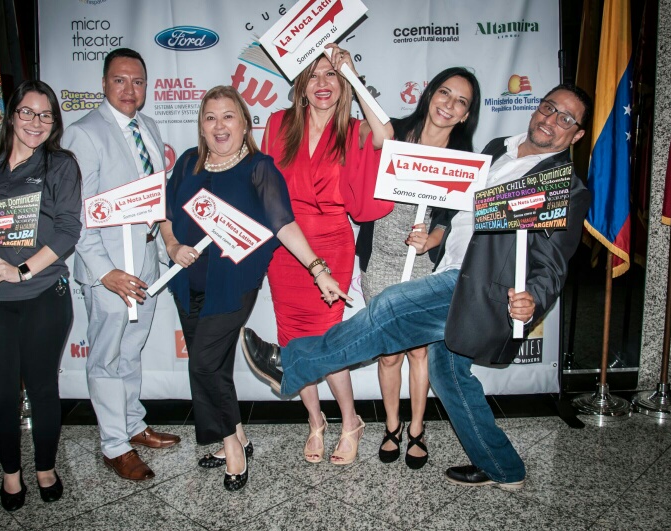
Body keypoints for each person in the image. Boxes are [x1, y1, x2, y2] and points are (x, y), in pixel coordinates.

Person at [242, 83, 593, 489]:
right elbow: (460, 210)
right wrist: (438, 231)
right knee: (450, 376)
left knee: (390, 308)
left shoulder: (567, 186)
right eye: (549, 108)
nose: (552, 120)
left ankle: (293, 364)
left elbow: (552, 262)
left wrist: (535, 298)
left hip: (484, 290)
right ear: (537, 109)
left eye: (566, 118)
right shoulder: (499, 148)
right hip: (454, 269)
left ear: (578, 134)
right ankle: (503, 467)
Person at [161, 86, 351, 491]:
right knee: (211, 365)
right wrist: (173, 245)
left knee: (202, 364)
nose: (219, 125)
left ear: (245, 122)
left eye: (228, 116)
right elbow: (162, 213)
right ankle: (241, 435)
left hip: (234, 283)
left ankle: (230, 444)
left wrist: (318, 269)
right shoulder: (188, 164)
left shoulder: (259, 168)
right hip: (187, 281)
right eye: (210, 117)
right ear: (201, 125)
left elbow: (283, 224)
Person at [262, 44, 393, 465]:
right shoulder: (280, 124)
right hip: (286, 244)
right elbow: (265, 191)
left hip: (333, 243)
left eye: (331, 76)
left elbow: (386, 138)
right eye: (314, 75)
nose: (323, 84)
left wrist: (352, 73)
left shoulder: (355, 130)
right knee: (293, 340)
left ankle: (351, 420)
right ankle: (316, 422)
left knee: (327, 340)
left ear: (345, 86)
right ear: (300, 85)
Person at [62, 48, 180, 482]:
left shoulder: (147, 126)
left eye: (138, 81)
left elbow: (156, 195)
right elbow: (76, 212)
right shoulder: (84, 134)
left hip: (146, 263)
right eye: (119, 80)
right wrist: (104, 273)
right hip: (109, 270)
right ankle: (114, 444)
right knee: (107, 357)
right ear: (104, 83)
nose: (130, 90)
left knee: (131, 351)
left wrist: (167, 243)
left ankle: (133, 424)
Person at [0, 80, 81, 511]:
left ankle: (45, 468)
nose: (36, 122)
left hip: (42, 292)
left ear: (55, 121)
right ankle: (11, 474)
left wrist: (21, 270)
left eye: (46, 114)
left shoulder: (61, 165)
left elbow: (69, 229)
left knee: (42, 386)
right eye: (28, 112)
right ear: (12, 115)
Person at [357, 68, 480, 469]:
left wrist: (435, 236)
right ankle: (391, 425)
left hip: (424, 265)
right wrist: (349, 73)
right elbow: (367, 128)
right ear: (429, 94)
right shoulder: (394, 133)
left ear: (465, 115)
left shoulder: (463, 160)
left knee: (418, 352)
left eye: (461, 101)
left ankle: (416, 429)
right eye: (444, 93)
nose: (449, 104)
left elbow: (457, 216)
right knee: (388, 354)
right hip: (381, 260)